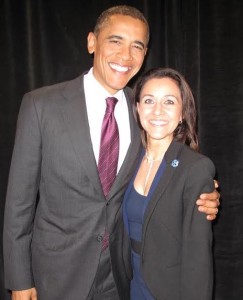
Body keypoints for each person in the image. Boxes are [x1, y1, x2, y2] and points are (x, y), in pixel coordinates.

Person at [3, 5, 219, 300]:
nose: (126, 56)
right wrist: (19, 279)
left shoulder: (142, 110)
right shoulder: (41, 106)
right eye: (115, 41)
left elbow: (170, 170)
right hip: (55, 275)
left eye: (137, 46)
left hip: (119, 277)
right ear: (92, 42)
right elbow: (19, 203)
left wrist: (205, 194)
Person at [123, 67, 215, 299]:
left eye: (169, 102)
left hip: (168, 289)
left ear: (183, 112)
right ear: (138, 108)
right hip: (127, 283)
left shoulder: (195, 168)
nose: (157, 111)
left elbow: (198, 258)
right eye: (149, 100)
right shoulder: (127, 160)